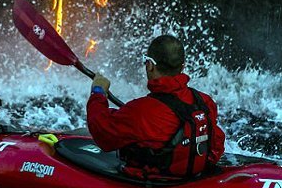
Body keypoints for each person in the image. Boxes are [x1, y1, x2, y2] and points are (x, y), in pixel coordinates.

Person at [87, 35, 226, 180]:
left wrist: (98, 92)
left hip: (154, 186)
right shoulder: (204, 101)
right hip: (194, 179)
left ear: (150, 65)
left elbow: (101, 130)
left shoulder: (141, 111)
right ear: (182, 67)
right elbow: (216, 143)